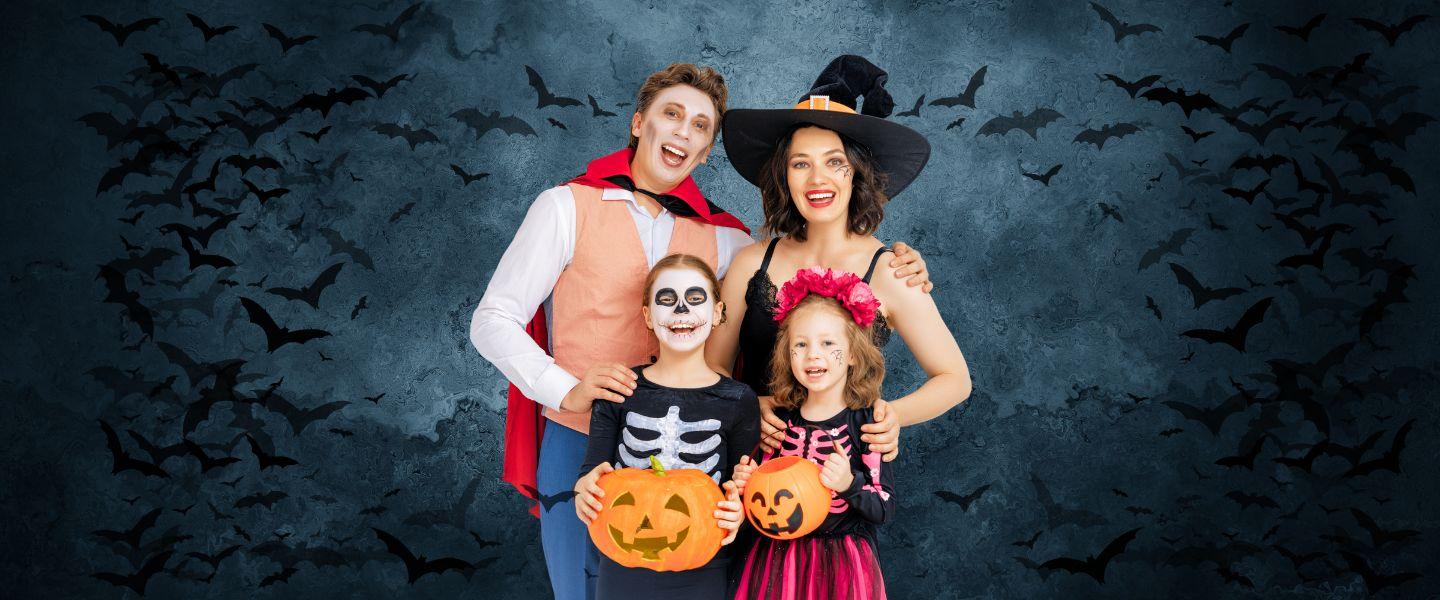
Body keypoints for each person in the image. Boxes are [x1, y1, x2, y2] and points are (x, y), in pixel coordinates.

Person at [469, 61, 933, 599]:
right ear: (639, 122)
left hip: (703, 464)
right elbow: (493, 319)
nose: (683, 132)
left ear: (707, 149)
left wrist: (899, 263)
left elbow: (804, 286)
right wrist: (564, 389)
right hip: (582, 440)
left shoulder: (731, 242)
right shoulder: (565, 207)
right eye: (672, 114)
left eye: (701, 126)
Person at [708, 55, 972, 464]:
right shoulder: (751, 263)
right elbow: (713, 367)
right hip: (750, 470)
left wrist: (890, 416)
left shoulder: (891, 271)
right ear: (784, 177)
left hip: (842, 480)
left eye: (835, 162)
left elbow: (955, 379)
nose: (818, 179)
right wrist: (744, 404)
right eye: (801, 164)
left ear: (857, 173)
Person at [574, 254, 758, 599]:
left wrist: (739, 511)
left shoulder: (738, 399)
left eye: (696, 298)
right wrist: (583, 491)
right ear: (648, 315)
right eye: (667, 300)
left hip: (706, 563)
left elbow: (741, 484)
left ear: (718, 312)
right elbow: (591, 471)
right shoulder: (620, 389)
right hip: (621, 559)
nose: (682, 311)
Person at [730, 268, 897, 600]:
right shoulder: (776, 423)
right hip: (776, 562)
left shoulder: (867, 425)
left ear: (852, 353)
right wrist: (746, 487)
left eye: (828, 343)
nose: (813, 354)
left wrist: (849, 485)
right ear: (786, 353)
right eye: (801, 344)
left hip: (843, 565)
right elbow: (755, 511)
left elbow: (884, 508)